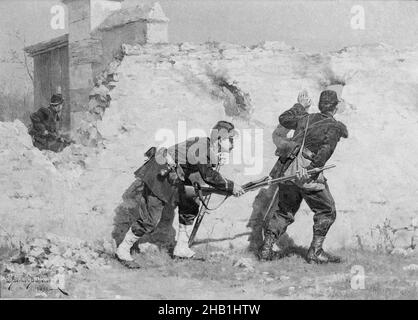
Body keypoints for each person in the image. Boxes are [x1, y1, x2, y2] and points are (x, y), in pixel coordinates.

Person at [116, 121, 245, 268]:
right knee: (150, 219)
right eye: (231, 139)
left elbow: (200, 171)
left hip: (176, 175)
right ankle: (123, 249)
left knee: (190, 203)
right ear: (220, 139)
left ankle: (182, 248)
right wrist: (231, 186)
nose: (233, 143)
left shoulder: (208, 148)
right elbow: (208, 175)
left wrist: (221, 173)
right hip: (161, 173)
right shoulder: (202, 147)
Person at [260, 90, 348, 264]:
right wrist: (313, 169)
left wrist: (300, 105)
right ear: (336, 107)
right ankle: (315, 252)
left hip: (287, 172)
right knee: (327, 210)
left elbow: (284, 118)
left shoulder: (305, 118)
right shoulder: (334, 126)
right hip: (307, 175)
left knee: (285, 211)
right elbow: (324, 152)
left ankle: (265, 250)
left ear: (320, 104)